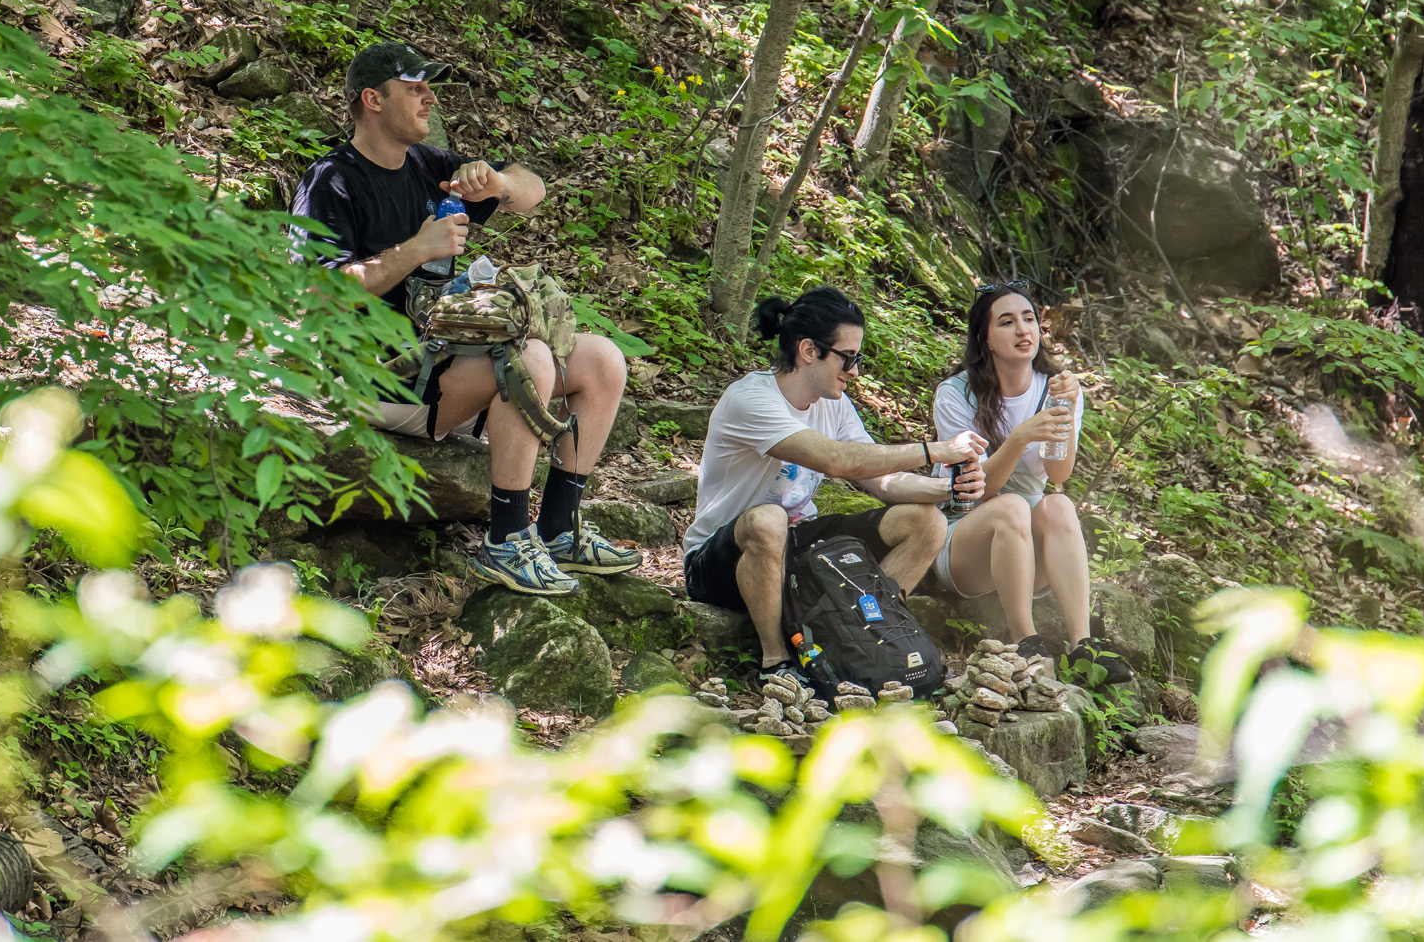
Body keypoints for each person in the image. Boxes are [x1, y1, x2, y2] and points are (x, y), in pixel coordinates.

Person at [290, 40, 637, 597]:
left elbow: (533, 189)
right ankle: (504, 541)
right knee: (529, 359)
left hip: (442, 357)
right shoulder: (332, 180)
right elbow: (315, 293)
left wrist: (499, 184)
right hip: (368, 373)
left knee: (602, 360)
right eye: (415, 88)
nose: (430, 99)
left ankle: (557, 528)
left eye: (431, 87)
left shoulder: (430, 168)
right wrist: (415, 250)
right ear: (373, 101)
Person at [683, 286, 989, 684]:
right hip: (719, 559)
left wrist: (951, 490)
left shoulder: (835, 404)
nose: (856, 371)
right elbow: (837, 460)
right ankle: (777, 663)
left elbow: (880, 479)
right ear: (809, 351)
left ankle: (865, 641)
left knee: (925, 523)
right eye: (848, 358)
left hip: (796, 543)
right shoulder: (750, 400)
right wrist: (936, 450)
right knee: (768, 519)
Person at [929, 280, 1132, 685]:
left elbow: (1058, 476)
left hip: (1026, 553)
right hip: (963, 541)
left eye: (1029, 319)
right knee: (1010, 506)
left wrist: (1068, 409)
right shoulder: (955, 395)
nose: (1024, 330)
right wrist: (1021, 435)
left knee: (1058, 504)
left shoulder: (1056, 389)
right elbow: (977, 491)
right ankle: (1026, 640)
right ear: (984, 339)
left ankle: (1082, 645)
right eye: (1007, 322)